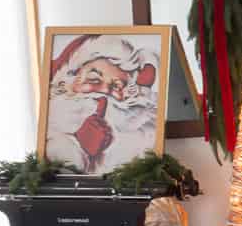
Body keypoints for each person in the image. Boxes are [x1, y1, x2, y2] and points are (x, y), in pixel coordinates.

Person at [44, 33, 159, 173]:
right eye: (94, 79)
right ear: (67, 83)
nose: (105, 90)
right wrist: (80, 145)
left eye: (116, 86)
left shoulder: (138, 120)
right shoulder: (56, 117)